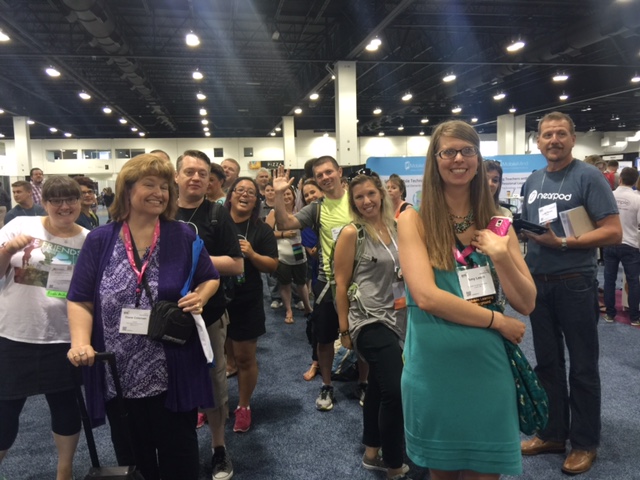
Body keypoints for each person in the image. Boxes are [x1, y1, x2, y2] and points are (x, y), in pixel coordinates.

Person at [66, 154, 220, 480]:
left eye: (164, 187)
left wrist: (201, 296)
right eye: (149, 184)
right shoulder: (100, 240)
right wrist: (80, 343)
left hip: (172, 368)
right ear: (127, 190)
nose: (159, 193)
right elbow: (80, 299)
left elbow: (211, 276)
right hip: (118, 373)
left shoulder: (182, 235)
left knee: (180, 453)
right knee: (133, 459)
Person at [398, 120, 536, 480]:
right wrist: (498, 322)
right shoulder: (413, 219)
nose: (458, 159)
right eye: (449, 151)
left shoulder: (498, 221)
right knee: (441, 474)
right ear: (435, 159)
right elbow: (426, 297)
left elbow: (527, 302)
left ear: (477, 158)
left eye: (467, 151)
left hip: (486, 370)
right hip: (434, 369)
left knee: (485, 474)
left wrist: (501, 254)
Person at [520, 112, 621, 475]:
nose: (554, 140)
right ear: (538, 141)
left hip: (575, 283)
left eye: (561, 133)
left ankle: (583, 442)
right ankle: (552, 433)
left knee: (582, 367)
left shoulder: (589, 176)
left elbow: (612, 232)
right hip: (538, 286)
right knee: (547, 364)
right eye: (548, 135)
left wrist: (562, 242)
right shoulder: (532, 180)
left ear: (573, 139)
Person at [0, 176, 89, 480]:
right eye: (56, 201)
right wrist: (7, 250)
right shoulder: (19, 226)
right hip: (15, 333)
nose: (64, 207)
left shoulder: (88, 239)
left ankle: (64, 471)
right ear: (45, 202)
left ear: (81, 201)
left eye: (71, 200)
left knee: (66, 407)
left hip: (63, 337)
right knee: (4, 410)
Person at [273, 157, 368, 411]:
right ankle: (326, 385)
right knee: (324, 338)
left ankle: (364, 382)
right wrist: (280, 195)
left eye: (329, 172)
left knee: (363, 337)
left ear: (339, 172)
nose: (325, 177)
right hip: (328, 283)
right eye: (319, 175)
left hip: (362, 282)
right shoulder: (316, 208)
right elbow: (285, 224)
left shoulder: (359, 199)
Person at [334, 172, 410, 480]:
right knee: (395, 389)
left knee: (379, 387)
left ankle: (370, 450)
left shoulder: (395, 227)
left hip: (398, 318)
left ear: (382, 193)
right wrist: (344, 331)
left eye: (370, 194)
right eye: (359, 197)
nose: (366, 201)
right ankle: (394, 463)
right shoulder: (353, 233)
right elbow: (340, 285)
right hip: (368, 321)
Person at [174, 150, 243, 480]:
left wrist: (195, 259)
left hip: (210, 316)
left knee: (215, 386)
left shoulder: (217, 213)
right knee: (170, 384)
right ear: (176, 177)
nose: (196, 178)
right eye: (189, 172)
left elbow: (236, 263)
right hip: (166, 317)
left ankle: (218, 449)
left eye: (202, 173)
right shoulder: (162, 213)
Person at [223, 177, 278, 433]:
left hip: (247, 300)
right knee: (210, 358)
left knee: (245, 358)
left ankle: (243, 406)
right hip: (214, 299)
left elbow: (273, 265)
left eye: (251, 193)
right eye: (240, 190)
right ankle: (209, 405)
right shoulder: (217, 222)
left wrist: (253, 254)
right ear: (230, 195)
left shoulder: (261, 229)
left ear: (256, 201)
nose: (244, 195)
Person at [265, 185, 312, 324]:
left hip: (299, 253)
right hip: (282, 255)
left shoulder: (301, 212)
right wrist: (283, 234)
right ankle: (288, 310)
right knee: (284, 284)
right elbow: (266, 234)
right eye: (283, 194)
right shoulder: (274, 213)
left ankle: (308, 308)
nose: (286, 197)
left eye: (289, 194)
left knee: (301, 283)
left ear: (294, 196)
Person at [603, 167, 640, 326]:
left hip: (610, 243)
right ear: (636, 181)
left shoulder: (609, 196)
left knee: (609, 280)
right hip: (630, 244)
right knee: (633, 282)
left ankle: (610, 314)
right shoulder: (637, 199)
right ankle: (634, 317)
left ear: (620, 179)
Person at [300, 179, 323, 381]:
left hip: (349, 279)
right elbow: (313, 253)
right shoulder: (308, 222)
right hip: (321, 279)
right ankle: (316, 361)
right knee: (318, 325)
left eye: (313, 192)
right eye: (306, 195)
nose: (310, 197)